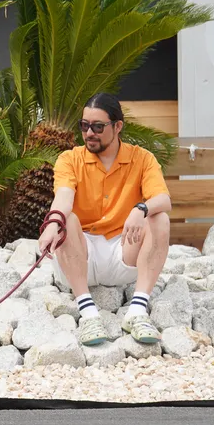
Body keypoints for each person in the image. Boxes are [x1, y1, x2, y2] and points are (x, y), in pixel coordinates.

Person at [38, 93, 172, 346]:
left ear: (118, 126)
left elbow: (164, 200)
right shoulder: (69, 159)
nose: (89, 133)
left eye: (98, 127)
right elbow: (64, 198)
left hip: (124, 254)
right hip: (80, 259)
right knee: (67, 219)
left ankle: (137, 312)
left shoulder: (142, 158)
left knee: (159, 218)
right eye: (84, 126)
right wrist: (53, 224)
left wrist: (140, 208)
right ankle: (88, 314)